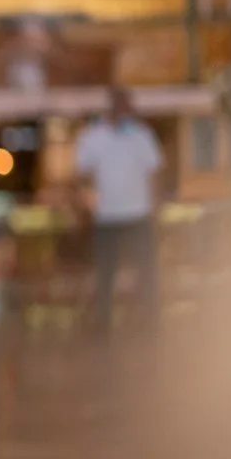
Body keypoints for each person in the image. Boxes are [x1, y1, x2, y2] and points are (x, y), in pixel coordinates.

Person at [75, 87, 163, 334]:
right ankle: (103, 323)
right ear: (111, 106)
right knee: (105, 273)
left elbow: (153, 173)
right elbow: (83, 175)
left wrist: (155, 209)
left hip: (139, 215)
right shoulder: (93, 137)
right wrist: (86, 205)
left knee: (146, 273)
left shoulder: (142, 135)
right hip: (107, 216)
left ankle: (150, 322)